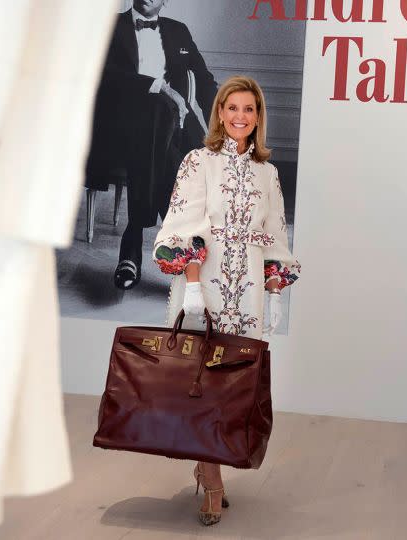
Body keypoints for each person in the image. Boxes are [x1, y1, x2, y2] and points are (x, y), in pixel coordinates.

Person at [152, 75, 301, 526]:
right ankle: (214, 483)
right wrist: (193, 285)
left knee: (233, 386)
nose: (240, 116)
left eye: (249, 110)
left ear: (258, 119)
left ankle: (207, 463)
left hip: (250, 294)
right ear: (220, 113)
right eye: (232, 108)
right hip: (206, 288)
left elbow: (275, 238)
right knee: (202, 384)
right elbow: (185, 225)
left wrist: (274, 294)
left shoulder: (268, 172)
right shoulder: (198, 163)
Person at [85, 0, 217, 290]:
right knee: (157, 112)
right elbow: (103, 75)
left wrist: (225, 128)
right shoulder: (111, 26)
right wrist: (163, 88)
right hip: (122, 127)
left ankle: (132, 243)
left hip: (176, 129)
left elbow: (205, 81)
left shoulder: (178, 31)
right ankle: (181, 251)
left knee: (162, 131)